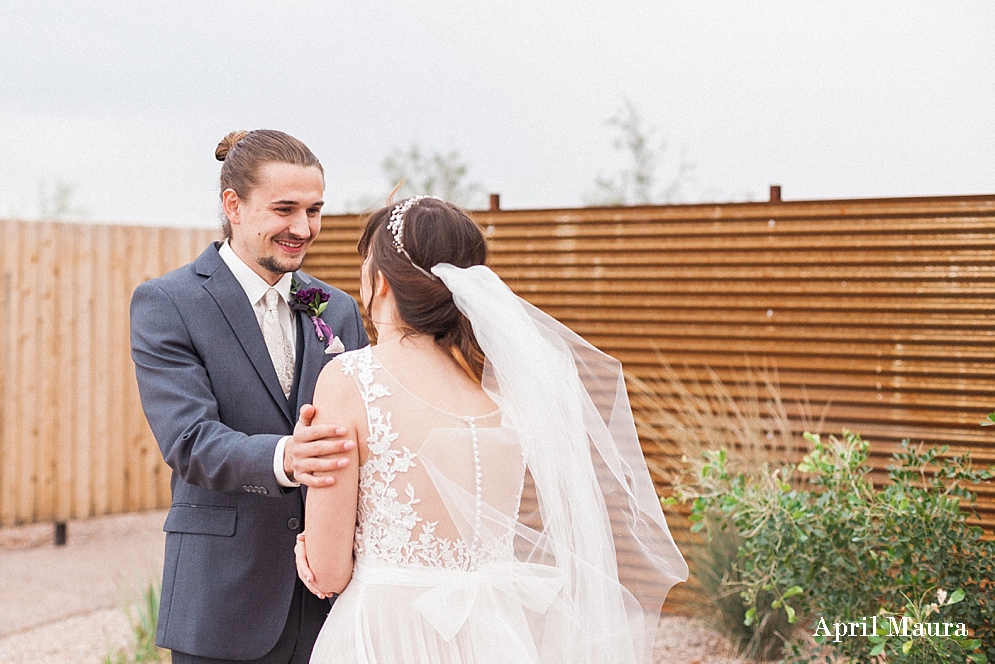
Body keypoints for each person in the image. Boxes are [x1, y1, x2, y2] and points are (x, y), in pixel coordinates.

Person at [295, 196, 688, 663]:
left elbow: (329, 570)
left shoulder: (350, 379)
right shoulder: (506, 392)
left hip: (386, 632)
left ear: (379, 281)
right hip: (496, 635)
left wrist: (310, 554)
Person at [130, 129, 368, 664]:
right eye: (285, 209)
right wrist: (286, 456)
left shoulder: (337, 309)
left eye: (315, 210)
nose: (303, 228)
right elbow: (188, 441)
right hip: (223, 601)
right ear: (232, 205)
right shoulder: (169, 302)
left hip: (332, 605)